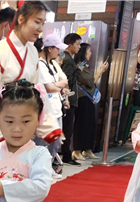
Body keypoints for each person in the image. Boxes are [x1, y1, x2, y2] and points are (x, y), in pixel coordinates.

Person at [0, 1, 61, 143]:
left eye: (43, 23)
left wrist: (49, 126)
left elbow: (38, 91)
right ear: (21, 19)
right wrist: (0, 132)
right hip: (1, 127)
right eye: (37, 22)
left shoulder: (32, 52)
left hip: (22, 126)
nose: (40, 28)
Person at [37, 33, 69, 179]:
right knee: (42, 142)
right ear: (50, 48)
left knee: (56, 142)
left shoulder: (54, 64)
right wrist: (57, 86)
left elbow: (65, 80)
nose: (59, 51)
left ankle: (47, 166)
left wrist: (57, 86)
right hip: (46, 109)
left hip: (57, 108)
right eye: (57, 48)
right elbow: (49, 88)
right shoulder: (40, 64)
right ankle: (40, 168)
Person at [72, 43, 109, 160]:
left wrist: (100, 71)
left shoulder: (85, 66)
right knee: (81, 125)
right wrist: (100, 71)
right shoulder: (79, 66)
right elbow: (90, 82)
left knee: (90, 124)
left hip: (89, 98)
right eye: (89, 51)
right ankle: (77, 150)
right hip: (82, 98)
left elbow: (91, 81)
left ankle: (87, 149)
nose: (90, 54)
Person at [60, 33, 82, 166]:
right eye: (77, 44)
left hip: (69, 98)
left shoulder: (68, 59)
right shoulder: (68, 60)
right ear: (69, 45)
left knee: (67, 128)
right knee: (67, 129)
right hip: (68, 98)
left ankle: (65, 154)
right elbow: (67, 81)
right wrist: (78, 71)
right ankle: (66, 155)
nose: (79, 47)